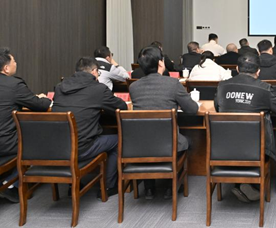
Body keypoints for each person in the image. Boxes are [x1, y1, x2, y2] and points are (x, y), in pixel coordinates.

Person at [215, 54, 276, 203]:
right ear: (258, 71)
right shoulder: (264, 88)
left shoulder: (222, 86)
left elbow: (218, 108)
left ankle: (242, 183)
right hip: (256, 150)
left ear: (237, 69)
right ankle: (247, 184)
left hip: (224, 148)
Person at [129, 46, 199, 200]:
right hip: (169, 144)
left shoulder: (133, 87)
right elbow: (193, 109)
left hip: (140, 145)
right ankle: (171, 185)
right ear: (161, 63)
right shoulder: (172, 84)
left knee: (150, 138)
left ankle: (149, 188)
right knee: (188, 141)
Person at [52, 57, 127, 198]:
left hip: (59, 147)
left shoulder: (60, 87)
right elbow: (121, 107)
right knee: (119, 140)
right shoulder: (98, 89)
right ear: (94, 71)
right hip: (82, 148)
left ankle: (73, 184)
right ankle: (109, 186)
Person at [0, 48, 51, 203]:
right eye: (14, 61)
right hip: (6, 143)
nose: (16, 63)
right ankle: (11, 184)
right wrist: (44, 98)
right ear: (6, 68)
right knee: (40, 139)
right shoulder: (14, 85)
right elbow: (40, 106)